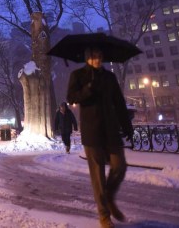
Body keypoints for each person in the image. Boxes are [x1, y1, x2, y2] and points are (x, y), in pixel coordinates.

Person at [66, 47, 133, 228]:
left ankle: (109, 197)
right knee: (98, 176)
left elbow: (119, 103)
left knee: (119, 166)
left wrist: (127, 127)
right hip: (92, 131)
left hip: (111, 130)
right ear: (88, 57)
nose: (98, 59)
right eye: (94, 56)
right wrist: (88, 89)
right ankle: (104, 216)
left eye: (100, 56)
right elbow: (71, 97)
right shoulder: (78, 75)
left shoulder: (109, 77)